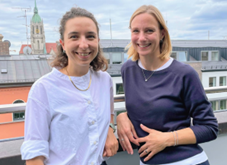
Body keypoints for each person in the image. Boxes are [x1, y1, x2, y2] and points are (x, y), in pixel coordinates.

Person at [117, 5, 218, 165]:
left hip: (188, 161)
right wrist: (122, 116)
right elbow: (145, 109)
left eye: (149, 31)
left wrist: (167, 139)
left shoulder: (184, 73)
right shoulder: (127, 70)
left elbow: (209, 128)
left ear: (162, 34)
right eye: (136, 31)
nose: (141, 38)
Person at [21, 7, 118, 165]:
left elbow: (109, 112)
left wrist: (110, 130)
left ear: (97, 42)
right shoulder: (43, 89)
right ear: (63, 44)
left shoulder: (104, 80)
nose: (84, 44)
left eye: (90, 36)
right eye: (74, 37)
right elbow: (34, 155)